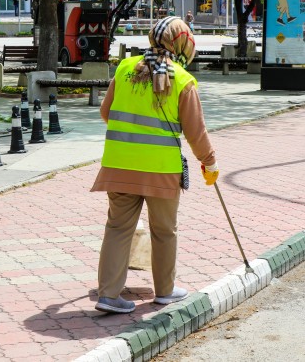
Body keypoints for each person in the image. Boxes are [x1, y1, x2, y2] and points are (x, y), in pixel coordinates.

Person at [91, 16, 219, 314]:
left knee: (117, 228)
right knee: (164, 230)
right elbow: (195, 132)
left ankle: (108, 295)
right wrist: (209, 162)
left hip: (119, 164)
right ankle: (164, 291)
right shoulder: (183, 80)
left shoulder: (124, 68)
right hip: (161, 170)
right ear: (182, 44)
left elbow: (106, 112)